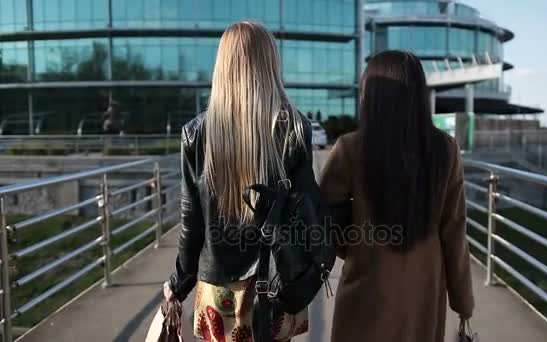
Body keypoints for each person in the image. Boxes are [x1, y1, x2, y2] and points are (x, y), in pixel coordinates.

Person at [163, 22, 318, 341]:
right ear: (270, 65)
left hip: (218, 291)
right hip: (276, 283)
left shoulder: (197, 133)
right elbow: (305, 213)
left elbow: (192, 224)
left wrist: (178, 285)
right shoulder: (295, 129)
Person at [320, 50, 474, 342]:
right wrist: (463, 302)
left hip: (365, 293)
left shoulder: (351, 148)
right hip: (423, 297)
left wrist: (356, 246)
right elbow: (454, 232)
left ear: (371, 95)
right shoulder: (445, 149)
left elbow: (326, 218)